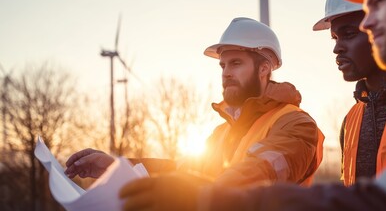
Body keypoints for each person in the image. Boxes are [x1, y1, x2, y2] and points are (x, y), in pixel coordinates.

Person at [118, 0, 386, 210]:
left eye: (378, 4)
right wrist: (124, 170)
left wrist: (209, 198)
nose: (369, 22)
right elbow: (188, 168)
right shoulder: (382, 107)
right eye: (222, 65)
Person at [65, 17, 324, 188]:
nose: (226, 72)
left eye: (236, 63)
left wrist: (196, 194)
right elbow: (181, 173)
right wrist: (117, 168)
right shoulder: (221, 134)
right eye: (223, 65)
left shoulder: (296, 123)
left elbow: (260, 172)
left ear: (264, 68)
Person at [313, 0, 386, 186]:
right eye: (335, 38)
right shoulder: (350, 121)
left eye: (348, 34)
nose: (337, 48)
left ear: (379, 26)